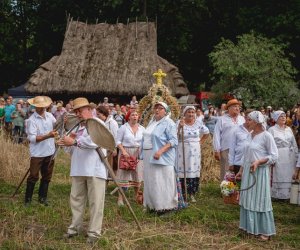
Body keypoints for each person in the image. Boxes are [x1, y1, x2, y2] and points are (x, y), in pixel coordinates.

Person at [58, 97, 108, 244]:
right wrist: (66, 143)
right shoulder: (78, 127)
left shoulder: (97, 123)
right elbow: (71, 150)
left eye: (80, 111)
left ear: (89, 110)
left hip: (95, 169)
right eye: (76, 111)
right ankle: (74, 228)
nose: (78, 114)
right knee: (76, 200)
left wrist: (74, 141)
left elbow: (96, 141)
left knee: (96, 202)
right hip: (78, 167)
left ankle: (94, 233)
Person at [236, 111, 278, 241]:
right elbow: (246, 155)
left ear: (257, 122)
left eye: (249, 120)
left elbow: (274, 156)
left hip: (260, 172)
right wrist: (241, 170)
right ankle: (249, 227)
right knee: (248, 198)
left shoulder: (267, 136)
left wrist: (259, 161)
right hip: (248, 171)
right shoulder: (250, 135)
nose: (246, 122)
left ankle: (265, 231)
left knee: (260, 199)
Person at [141, 102, 178, 214]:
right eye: (155, 108)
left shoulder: (169, 123)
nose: (157, 110)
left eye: (160, 108)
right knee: (151, 180)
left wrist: (160, 151)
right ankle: (152, 205)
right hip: (149, 156)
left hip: (162, 157)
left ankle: (166, 207)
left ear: (165, 111)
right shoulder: (152, 122)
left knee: (163, 181)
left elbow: (173, 141)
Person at [25, 96, 57, 206]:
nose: (42, 108)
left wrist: (63, 121)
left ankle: (42, 198)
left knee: (47, 176)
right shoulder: (31, 120)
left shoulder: (50, 116)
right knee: (33, 176)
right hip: (37, 153)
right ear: (35, 107)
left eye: (43, 106)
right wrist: (48, 135)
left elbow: (56, 126)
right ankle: (28, 200)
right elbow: (33, 139)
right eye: (39, 106)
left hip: (50, 151)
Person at [176, 106, 209, 202]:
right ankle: (182, 192)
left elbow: (206, 132)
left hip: (195, 151)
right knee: (183, 169)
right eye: (189, 112)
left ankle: (192, 193)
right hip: (183, 150)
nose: (191, 114)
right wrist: (179, 127)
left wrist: (200, 142)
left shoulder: (198, 123)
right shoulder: (179, 122)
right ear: (184, 113)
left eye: (192, 112)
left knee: (193, 169)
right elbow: (174, 135)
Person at [116, 110, 145, 206]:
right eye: (133, 115)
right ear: (129, 117)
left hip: (138, 153)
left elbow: (145, 140)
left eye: (136, 115)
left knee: (137, 175)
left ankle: (137, 196)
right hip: (126, 153)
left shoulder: (142, 128)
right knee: (123, 175)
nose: (135, 116)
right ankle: (120, 199)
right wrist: (123, 151)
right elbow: (118, 141)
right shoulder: (123, 128)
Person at [268, 111, 298, 201]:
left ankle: (288, 196)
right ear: (276, 118)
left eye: (284, 116)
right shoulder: (271, 130)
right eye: (281, 116)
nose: (283, 118)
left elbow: (294, 142)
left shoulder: (288, 129)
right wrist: (271, 157)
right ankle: (277, 196)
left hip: (289, 155)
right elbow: (269, 144)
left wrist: (296, 155)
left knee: (288, 174)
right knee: (279, 174)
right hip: (278, 154)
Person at [213, 99, 245, 180]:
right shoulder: (222, 119)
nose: (237, 109)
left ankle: (239, 191)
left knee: (239, 169)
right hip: (226, 148)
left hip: (240, 149)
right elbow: (216, 134)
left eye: (238, 107)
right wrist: (217, 150)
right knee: (226, 171)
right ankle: (226, 191)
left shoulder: (242, 119)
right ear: (229, 108)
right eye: (235, 107)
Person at [228, 109, 253, 175]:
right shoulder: (237, 130)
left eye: (252, 118)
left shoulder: (257, 130)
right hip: (238, 162)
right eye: (248, 118)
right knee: (239, 184)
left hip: (253, 163)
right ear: (245, 118)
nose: (250, 120)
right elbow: (232, 147)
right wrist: (231, 163)